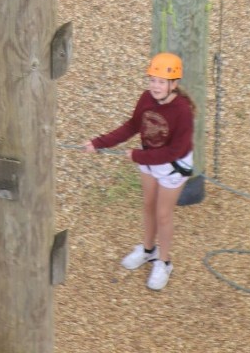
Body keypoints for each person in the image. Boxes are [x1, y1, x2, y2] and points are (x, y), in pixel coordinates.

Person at [83, 53, 195, 291]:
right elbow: (132, 126)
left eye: (161, 82)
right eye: (152, 80)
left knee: (163, 214)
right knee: (147, 204)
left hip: (172, 165)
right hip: (149, 157)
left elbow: (176, 150)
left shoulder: (183, 111)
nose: (155, 86)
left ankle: (164, 262)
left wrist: (138, 156)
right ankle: (147, 250)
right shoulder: (146, 98)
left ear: (173, 84)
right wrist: (99, 142)